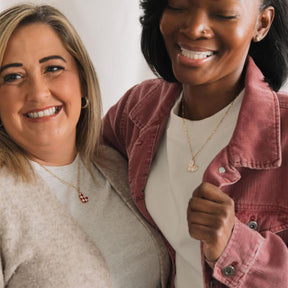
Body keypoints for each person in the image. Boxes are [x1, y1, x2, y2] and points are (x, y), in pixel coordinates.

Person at [102, 0, 288, 287]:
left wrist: (233, 244)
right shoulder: (138, 110)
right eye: (177, 6)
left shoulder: (284, 134)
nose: (194, 28)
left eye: (222, 14)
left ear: (261, 24)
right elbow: (75, 174)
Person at [0, 4, 171, 288]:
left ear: (82, 81)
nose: (39, 92)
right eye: (13, 77)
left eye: (53, 68)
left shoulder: (119, 163)